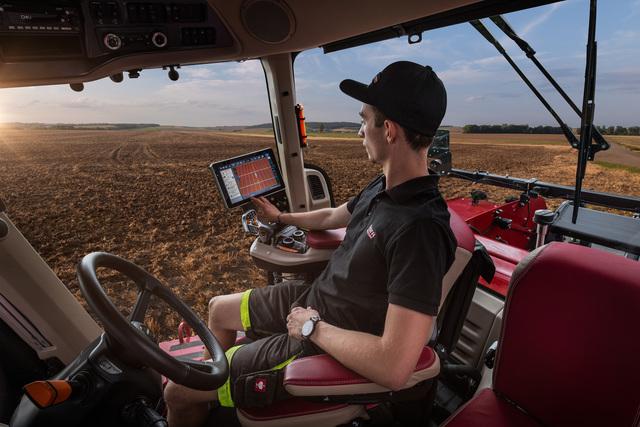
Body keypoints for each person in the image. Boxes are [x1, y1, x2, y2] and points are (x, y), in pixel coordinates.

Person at [163, 61, 457, 427]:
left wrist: (311, 327)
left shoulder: (420, 229)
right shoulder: (385, 187)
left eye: (364, 121)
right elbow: (333, 215)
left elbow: (394, 366)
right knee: (218, 308)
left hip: (316, 340)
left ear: (390, 130)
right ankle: (216, 398)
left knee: (177, 392)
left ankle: (207, 393)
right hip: (313, 301)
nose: (360, 131)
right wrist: (281, 217)